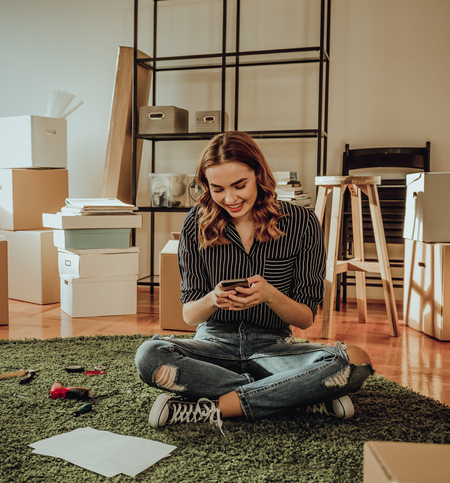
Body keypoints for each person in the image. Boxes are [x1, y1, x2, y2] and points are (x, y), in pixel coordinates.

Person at [134, 131, 374, 433]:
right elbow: (189, 314)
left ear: (259, 175)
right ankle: (291, 396)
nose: (230, 199)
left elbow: (305, 318)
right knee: (149, 355)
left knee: (354, 361)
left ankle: (214, 408)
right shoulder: (196, 221)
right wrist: (212, 299)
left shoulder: (301, 222)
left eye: (239, 185)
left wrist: (271, 295)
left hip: (274, 348)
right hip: (212, 349)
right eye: (217, 188)